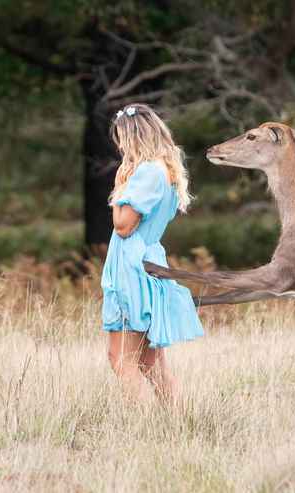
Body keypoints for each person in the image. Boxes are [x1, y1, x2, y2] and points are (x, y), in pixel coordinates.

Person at [101, 104, 204, 405]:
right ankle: (175, 420)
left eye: (121, 138)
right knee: (151, 360)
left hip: (132, 269)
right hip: (148, 262)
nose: (120, 146)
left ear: (135, 136)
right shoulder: (166, 172)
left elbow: (123, 226)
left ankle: (142, 425)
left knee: (121, 357)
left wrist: (120, 186)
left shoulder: (147, 173)